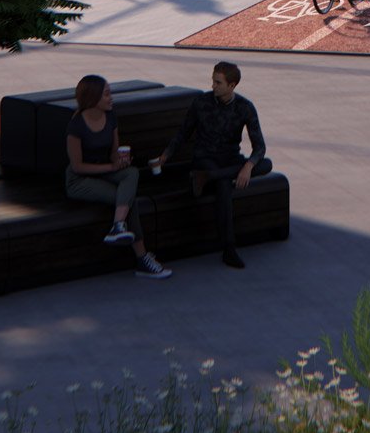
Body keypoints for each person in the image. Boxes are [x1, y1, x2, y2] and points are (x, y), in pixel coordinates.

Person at [153, 60, 270, 269]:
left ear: (232, 85)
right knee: (225, 184)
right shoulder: (201, 103)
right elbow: (183, 133)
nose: (213, 86)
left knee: (265, 165)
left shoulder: (245, 107)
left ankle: (208, 178)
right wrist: (165, 155)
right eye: (213, 81)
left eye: (218, 83)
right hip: (205, 158)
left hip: (230, 159)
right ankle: (229, 248)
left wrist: (248, 166)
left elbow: (259, 147)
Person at [65, 75, 172, 279]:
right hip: (80, 180)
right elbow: (77, 167)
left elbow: (114, 151)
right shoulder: (76, 126)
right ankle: (141, 257)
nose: (110, 98)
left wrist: (120, 160)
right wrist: (111, 166)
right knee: (127, 198)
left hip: (105, 171)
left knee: (131, 173)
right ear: (93, 97)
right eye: (106, 94)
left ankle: (118, 226)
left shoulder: (111, 117)